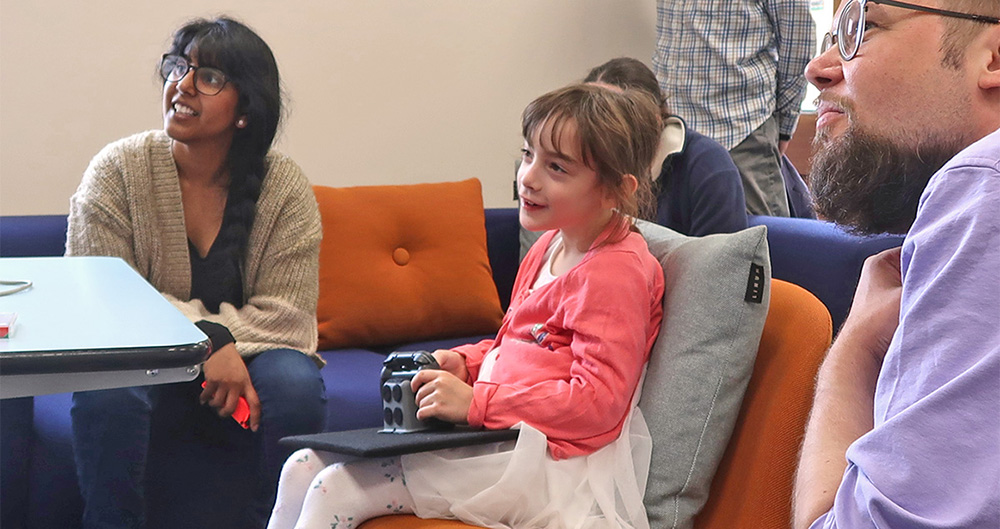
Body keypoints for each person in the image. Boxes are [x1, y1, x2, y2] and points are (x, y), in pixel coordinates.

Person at [267, 83, 666, 529]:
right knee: (301, 465)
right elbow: (513, 347)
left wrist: (477, 402)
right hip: (503, 435)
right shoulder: (549, 245)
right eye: (528, 154)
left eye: (556, 167)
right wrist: (464, 363)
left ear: (615, 190)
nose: (528, 176)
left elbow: (598, 404)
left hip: (553, 462)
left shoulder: (616, 271)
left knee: (333, 488)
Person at [66, 17, 326, 529]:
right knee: (108, 394)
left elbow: (289, 319)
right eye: (178, 68)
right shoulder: (117, 170)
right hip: (136, 353)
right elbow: (101, 297)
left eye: (207, 77)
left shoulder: (285, 189)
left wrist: (222, 342)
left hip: (245, 355)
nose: (181, 86)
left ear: (245, 111)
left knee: (295, 385)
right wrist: (206, 339)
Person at [791, 1, 1000, 528]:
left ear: (994, 57)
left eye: (866, 26)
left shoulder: (985, 183)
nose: (819, 68)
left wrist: (853, 352)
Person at [653, 0, 815, 217]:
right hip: (672, 131)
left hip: (740, 130)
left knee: (765, 242)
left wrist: (784, 126)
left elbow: (798, 46)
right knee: (676, 244)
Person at [584, 57, 748, 236]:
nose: (596, 131)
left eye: (609, 118)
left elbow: (722, 259)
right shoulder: (581, 163)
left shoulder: (709, 166)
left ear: (653, 120)